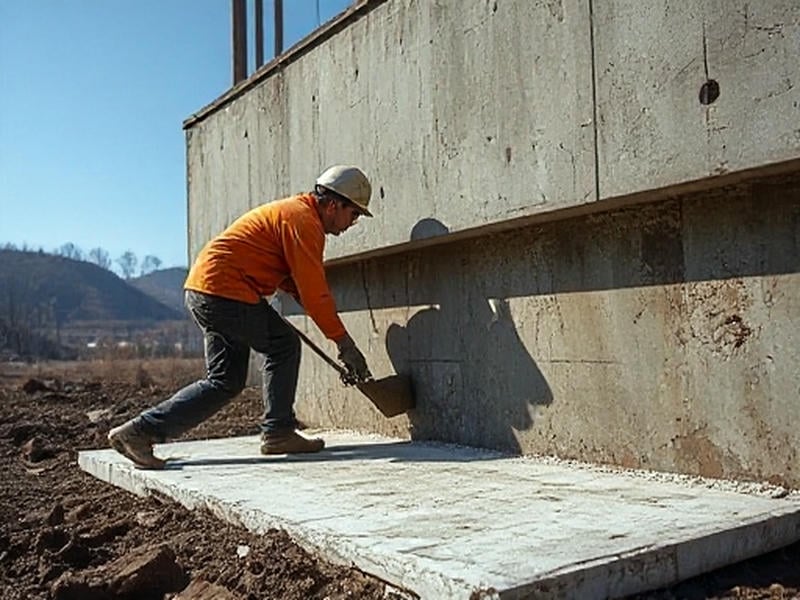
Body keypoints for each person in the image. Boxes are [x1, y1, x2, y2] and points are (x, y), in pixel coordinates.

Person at [108, 165, 374, 468]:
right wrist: (344, 343)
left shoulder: (295, 215)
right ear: (334, 204)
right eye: (353, 214)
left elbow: (296, 282)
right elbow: (315, 292)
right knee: (283, 344)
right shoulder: (304, 222)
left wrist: (322, 318)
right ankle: (279, 432)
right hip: (225, 291)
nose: (352, 223)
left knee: (225, 381)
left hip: (206, 290)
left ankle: (139, 433)